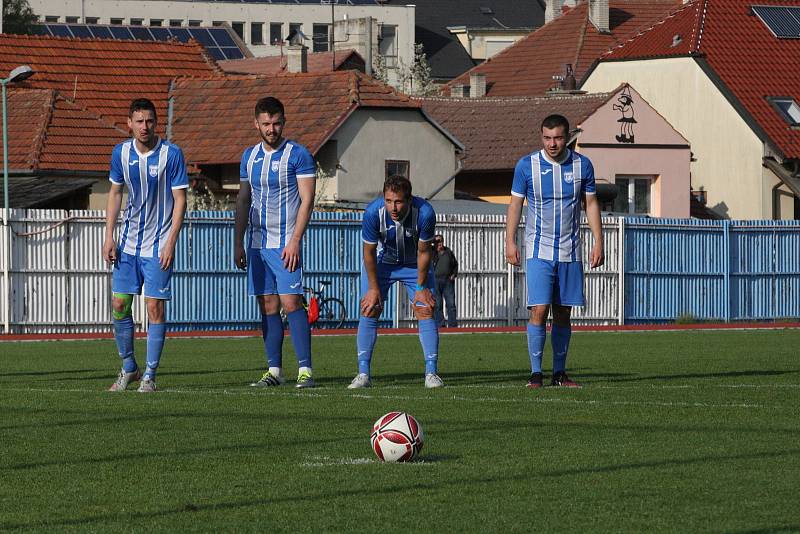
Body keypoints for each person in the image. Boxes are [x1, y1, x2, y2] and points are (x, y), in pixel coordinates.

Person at [505, 114, 604, 389]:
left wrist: (599, 240)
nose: (552, 143)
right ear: (541, 137)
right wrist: (510, 240)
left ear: (568, 137)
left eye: (558, 137)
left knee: (563, 313)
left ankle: (559, 373)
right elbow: (515, 205)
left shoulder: (583, 165)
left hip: (570, 251)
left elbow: (591, 204)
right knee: (539, 309)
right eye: (547, 138)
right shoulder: (527, 166)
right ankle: (535, 373)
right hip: (539, 250)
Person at [104, 98, 188, 393]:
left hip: (158, 246)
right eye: (139, 121)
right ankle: (129, 368)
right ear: (129, 123)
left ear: (157, 123)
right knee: (119, 304)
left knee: (154, 308)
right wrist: (109, 236)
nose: (144, 126)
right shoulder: (121, 153)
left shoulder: (171, 154)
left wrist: (170, 243)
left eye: (149, 121)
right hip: (128, 243)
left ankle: (150, 376)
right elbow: (115, 194)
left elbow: (180, 199)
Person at [234, 96, 317, 389]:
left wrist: (295, 240)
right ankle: (275, 371)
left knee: (291, 302)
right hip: (256, 244)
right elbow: (243, 199)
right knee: (268, 306)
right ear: (256, 123)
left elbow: (308, 199)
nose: (272, 129)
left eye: (277, 123)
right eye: (266, 123)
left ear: (284, 122)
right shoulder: (249, 157)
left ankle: (305, 370)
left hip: (285, 243)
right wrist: (238, 242)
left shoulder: (298, 155)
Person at [348, 175, 443, 389]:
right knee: (369, 308)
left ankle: (431, 373)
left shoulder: (425, 213)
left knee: (425, 308)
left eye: (398, 201)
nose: (393, 207)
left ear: (409, 200)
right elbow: (369, 253)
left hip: (414, 265)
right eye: (388, 200)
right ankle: (363, 374)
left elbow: (424, 251)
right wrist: (373, 288)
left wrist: (420, 288)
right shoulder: (373, 213)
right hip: (383, 264)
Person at [432, 234, 458, 327]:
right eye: (437, 242)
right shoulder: (432, 253)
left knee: (451, 304)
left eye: (440, 241)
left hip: (447, 280)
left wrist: (454, 274)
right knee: (438, 304)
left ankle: (452, 325)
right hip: (435, 281)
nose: (439, 243)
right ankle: (440, 324)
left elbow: (455, 264)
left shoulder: (448, 252)